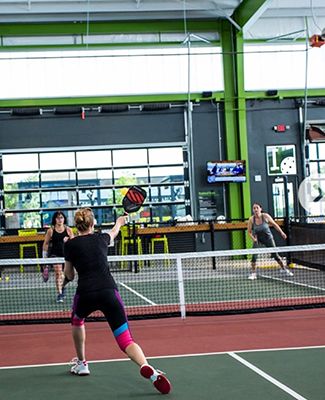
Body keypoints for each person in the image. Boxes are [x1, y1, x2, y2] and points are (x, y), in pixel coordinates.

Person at [63, 207, 171, 395]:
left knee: (77, 320)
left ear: (76, 225)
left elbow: (69, 275)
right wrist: (121, 220)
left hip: (85, 294)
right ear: (93, 223)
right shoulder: (102, 238)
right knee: (126, 340)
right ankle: (147, 367)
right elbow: (115, 230)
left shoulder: (70, 245)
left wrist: (69, 250)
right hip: (109, 293)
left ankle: (82, 364)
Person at [247, 202, 293, 280]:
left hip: (268, 239)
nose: (255, 210)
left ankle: (283, 269)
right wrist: (253, 239)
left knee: (275, 255)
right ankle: (253, 273)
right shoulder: (251, 219)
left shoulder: (265, 216)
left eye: (257, 208)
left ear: (260, 209)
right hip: (258, 240)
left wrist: (282, 233)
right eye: (254, 208)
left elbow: (275, 224)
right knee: (254, 257)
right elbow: (249, 232)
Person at [42, 211, 74, 302]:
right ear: (55, 219)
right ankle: (60, 294)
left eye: (61, 218)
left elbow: (74, 243)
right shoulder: (51, 230)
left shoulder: (68, 230)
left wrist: (68, 241)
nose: (60, 220)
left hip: (66, 255)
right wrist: (44, 259)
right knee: (58, 273)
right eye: (58, 218)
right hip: (55, 255)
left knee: (68, 275)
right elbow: (46, 243)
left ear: (64, 219)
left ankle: (62, 287)